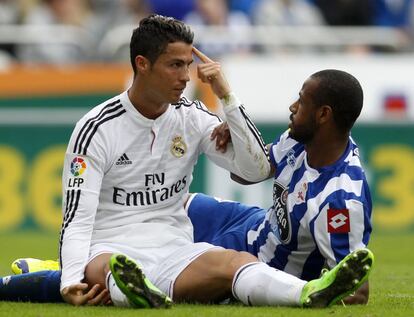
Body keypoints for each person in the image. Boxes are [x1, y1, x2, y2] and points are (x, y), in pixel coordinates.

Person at [0, 15, 373, 307]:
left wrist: (227, 99)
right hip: (110, 244)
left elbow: (255, 170)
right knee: (103, 266)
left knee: (233, 262)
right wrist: (70, 283)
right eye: (174, 65)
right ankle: (102, 283)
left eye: (187, 65)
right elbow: (77, 219)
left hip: (175, 245)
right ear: (142, 64)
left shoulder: (191, 117)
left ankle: (309, 294)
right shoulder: (96, 128)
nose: (185, 77)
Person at [187, 69, 373, 304]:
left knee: (177, 265)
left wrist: (307, 293)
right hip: (250, 223)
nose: (293, 106)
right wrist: (240, 136)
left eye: (302, 101)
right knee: (172, 206)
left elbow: (358, 293)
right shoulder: (298, 139)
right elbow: (247, 175)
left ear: (323, 114)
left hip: (255, 262)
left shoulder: (339, 200)